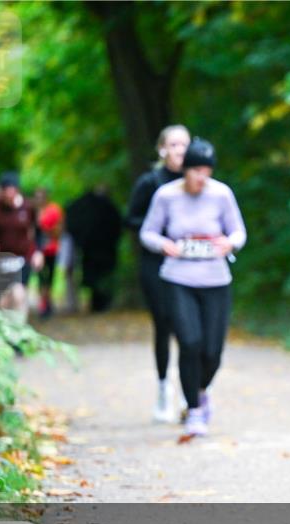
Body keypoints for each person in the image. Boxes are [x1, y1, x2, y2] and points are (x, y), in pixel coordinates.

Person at [140, 138, 246, 439]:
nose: (202, 177)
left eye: (207, 171)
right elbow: (147, 232)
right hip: (178, 278)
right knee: (189, 342)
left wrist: (230, 242)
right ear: (185, 170)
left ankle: (200, 391)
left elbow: (238, 230)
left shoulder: (221, 194)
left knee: (212, 351)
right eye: (197, 170)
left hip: (215, 279)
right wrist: (165, 245)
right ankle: (194, 411)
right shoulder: (166, 196)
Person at [128, 125, 191, 422]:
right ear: (162, 149)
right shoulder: (150, 182)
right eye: (174, 144)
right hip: (156, 263)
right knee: (164, 324)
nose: (179, 150)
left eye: (184, 145)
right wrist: (161, 235)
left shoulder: (197, 181)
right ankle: (164, 389)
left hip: (191, 264)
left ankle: (188, 393)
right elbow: (131, 218)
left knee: (188, 328)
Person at [0, 172, 44, 323]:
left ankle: (19, 335)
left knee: (19, 294)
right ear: (1, 192)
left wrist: (38, 252)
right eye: (6, 192)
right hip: (0, 260)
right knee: (3, 300)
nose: (9, 196)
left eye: (12, 191)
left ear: (17, 191)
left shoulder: (28, 208)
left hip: (22, 258)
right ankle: (4, 333)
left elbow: (39, 231)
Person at [65, 185, 123, 313]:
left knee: (99, 277)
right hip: (97, 250)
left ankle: (100, 303)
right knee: (98, 277)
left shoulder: (90, 207)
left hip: (97, 250)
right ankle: (99, 303)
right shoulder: (104, 208)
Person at [34, 188, 65, 318]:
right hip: (38, 251)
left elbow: (59, 228)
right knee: (41, 278)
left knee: (50, 277)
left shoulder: (54, 210)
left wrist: (48, 232)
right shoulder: (33, 211)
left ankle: (48, 302)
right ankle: (43, 303)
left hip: (51, 249)